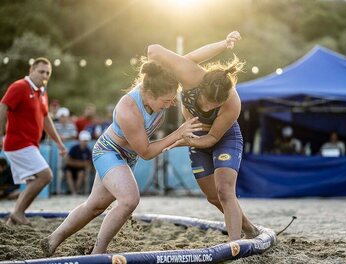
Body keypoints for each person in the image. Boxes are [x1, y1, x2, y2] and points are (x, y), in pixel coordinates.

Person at [41, 60, 202, 256]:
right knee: (129, 200)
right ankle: (98, 253)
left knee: (94, 206)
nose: (170, 104)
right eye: (166, 101)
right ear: (150, 94)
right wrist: (178, 134)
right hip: (109, 151)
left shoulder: (160, 89)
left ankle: (52, 240)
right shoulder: (129, 108)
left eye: (171, 100)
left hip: (127, 156)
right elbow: (147, 152)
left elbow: (186, 61)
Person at [148, 31, 260, 241]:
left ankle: (233, 244)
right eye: (207, 100)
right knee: (213, 197)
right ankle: (249, 228)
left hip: (224, 137)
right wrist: (223, 44)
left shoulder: (233, 102)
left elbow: (212, 139)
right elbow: (154, 50)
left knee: (225, 191)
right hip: (196, 133)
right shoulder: (192, 75)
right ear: (202, 86)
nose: (208, 107)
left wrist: (183, 141)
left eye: (215, 105)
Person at [0, 57, 67, 225]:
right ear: (31, 70)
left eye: (47, 73)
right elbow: (3, 106)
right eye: (41, 71)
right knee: (45, 176)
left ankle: (12, 221)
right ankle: (18, 213)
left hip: (30, 145)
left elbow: (46, 119)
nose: (44, 75)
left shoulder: (42, 91)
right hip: (18, 143)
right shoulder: (19, 86)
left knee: (33, 182)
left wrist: (58, 143)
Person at [63, 130, 92, 195]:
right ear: (80, 140)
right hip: (71, 168)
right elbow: (68, 162)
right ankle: (73, 191)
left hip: (79, 169)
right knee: (68, 173)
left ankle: (75, 191)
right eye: (84, 141)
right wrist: (81, 163)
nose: (85, 142)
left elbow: (88, 164)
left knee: (81, 173)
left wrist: (75, 163)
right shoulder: (74, 148)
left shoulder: (88, 150)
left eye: (86, 141)